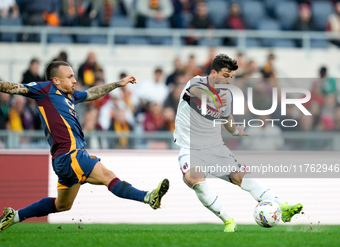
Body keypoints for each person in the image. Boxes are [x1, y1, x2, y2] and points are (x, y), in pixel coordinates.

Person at [0, 61, 169, 232]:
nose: (74, 80)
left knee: (62, 204)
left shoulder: (71, 95)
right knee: (108, 176)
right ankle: (149, 197)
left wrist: (118, 84)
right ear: (56, 80)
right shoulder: (45, 90)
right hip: (71, 154)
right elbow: (14, 88)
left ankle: (15, 216)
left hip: (62, 160)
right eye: (70, 76)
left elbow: (91, 93)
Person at [173, 53, 303, 232]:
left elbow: (227, 119)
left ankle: (281, 206)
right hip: (190, 147)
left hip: (214, 147)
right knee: (194, 179)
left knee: (240, 177)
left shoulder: (227, 95)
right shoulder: (196, 82)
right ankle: (228, 220)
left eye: (231, 77)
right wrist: (213, 99)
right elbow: (197, 92)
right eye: (225, 76)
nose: (228, 81)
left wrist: (235, 131)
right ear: (213, 73)